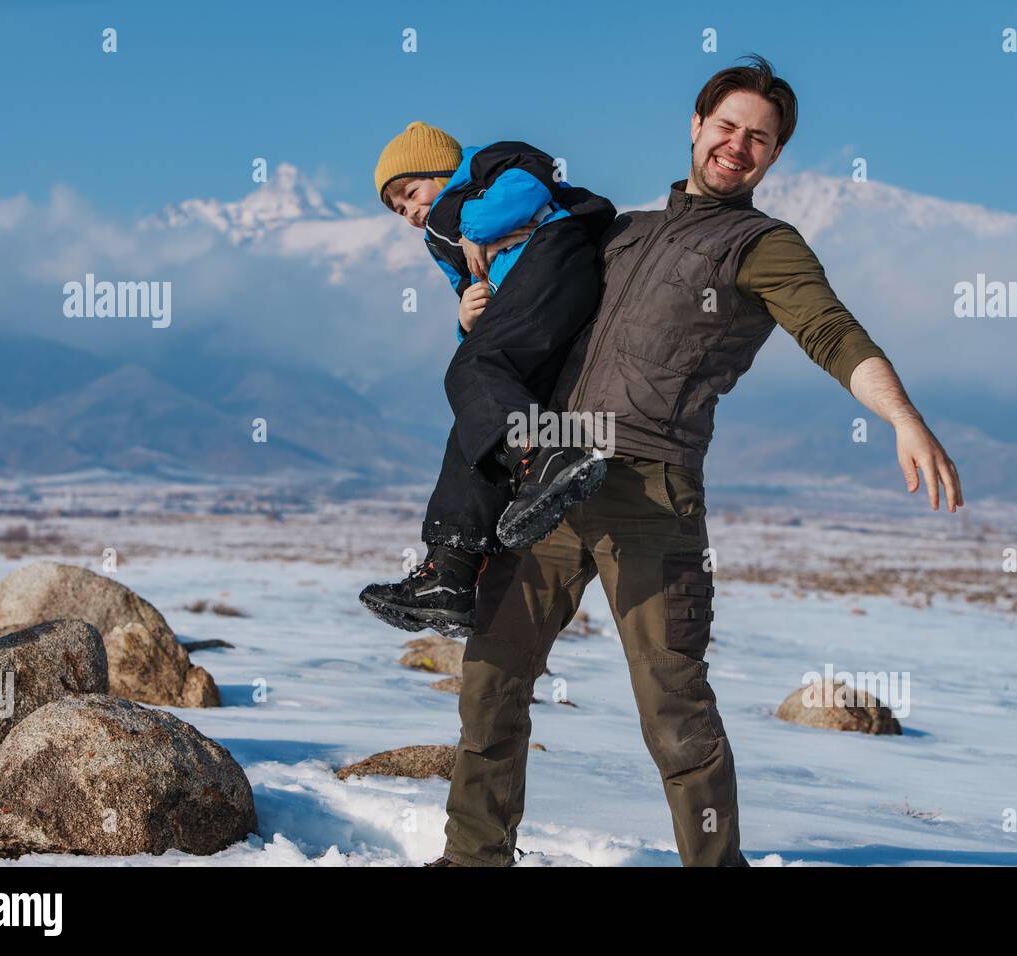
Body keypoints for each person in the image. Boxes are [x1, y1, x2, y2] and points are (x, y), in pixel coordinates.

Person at [429, 55, 964, 867]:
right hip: (549, 477)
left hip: (650, 495)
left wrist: (902, 416)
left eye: (759, 138)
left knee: (674, 708)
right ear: (695, 126)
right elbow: (533, 324)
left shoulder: (762, 246)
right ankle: (472, 859)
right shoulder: (621, 232)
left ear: (774, 156)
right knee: (491, 684)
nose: (737, 146)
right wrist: (479, 313)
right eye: (726, 127)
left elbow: (831, 332)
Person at [359, 123, 617, 638]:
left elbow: (532, 186)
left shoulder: (484, 165)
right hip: (522, 298)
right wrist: (467, 315)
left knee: (472, 371)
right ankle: (448, 575)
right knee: (473, 425)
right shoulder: (442, 237)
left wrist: (473, 226)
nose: (410, 212)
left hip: (556, 256)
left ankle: (547, 455)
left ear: (442, 168)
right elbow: (470, 284)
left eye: (410, 193)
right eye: (398, 210)